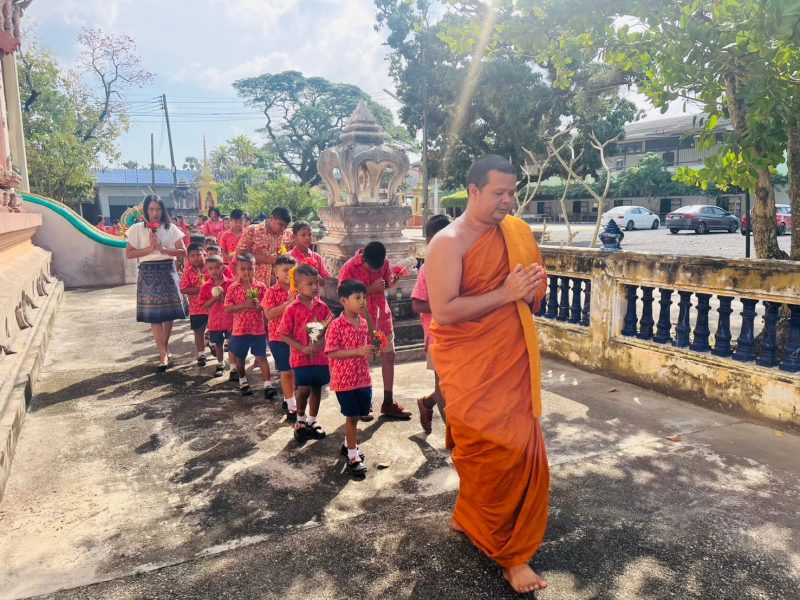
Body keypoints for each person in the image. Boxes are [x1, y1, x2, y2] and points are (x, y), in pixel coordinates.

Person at [426, 155, 549, 594]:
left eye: (512, 193)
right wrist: (505, 292)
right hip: (471, 366)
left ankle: (472, 519)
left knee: (517, 452)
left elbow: (534, 291)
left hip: (511, 360)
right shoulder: (448, 242)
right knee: (488, 451)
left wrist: (530, 287)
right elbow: (444, 310)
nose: (507, 201)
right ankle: (511, 558)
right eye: (499, 192)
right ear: (473, 191)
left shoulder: (516, 233)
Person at [339, 241, 410, 419]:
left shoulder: (384, 263)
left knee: (389, 356)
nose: (373, 270)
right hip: (359, 321)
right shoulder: (350, 267)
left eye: (377, 268)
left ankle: (388, 402)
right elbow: (343, 294)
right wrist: (369, 289)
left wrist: (393, 281)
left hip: (382, 317)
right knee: (362, 362)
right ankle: (364, 404)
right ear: (363, 258)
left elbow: (386, 283)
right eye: (370, 268)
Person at [124, 194, 187, 371]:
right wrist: (150, 249)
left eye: (158, 209)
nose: (155, 213)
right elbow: (129, 253)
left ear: (162, 210)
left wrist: (164, 249)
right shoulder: (137, 229)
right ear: (146, 210)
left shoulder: (170, 227)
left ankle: (164, 347)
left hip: (167, 270)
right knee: (155, 316)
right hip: (148, 272)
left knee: (169, 314)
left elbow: (183, 251)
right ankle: (163, 353)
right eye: (151, 209)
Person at [325, 279, 377, 476]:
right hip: (344, 380)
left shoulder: (364, 323)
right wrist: (358, 351)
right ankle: (353, 456)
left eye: (364, 297)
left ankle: (349, 443)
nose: (362, 301)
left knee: (361, 414)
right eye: (357, 297)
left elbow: (366, 348)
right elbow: (331, 352)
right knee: (352, 417)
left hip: (362, 378)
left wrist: (373, 349)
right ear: (344, 301)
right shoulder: (336, 325)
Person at [277, 264, 332, 443]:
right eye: (309, 284)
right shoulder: (292, 309)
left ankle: (313, 421)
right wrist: (301, 348)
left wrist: (322, 343)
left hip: (320, 357)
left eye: (316, 283)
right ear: (297, 286)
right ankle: (300, 418)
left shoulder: (323, 307)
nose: (315, 287)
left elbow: (330, 329)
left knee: (316, 388)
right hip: (300, 358)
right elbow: (283, 334)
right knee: (303, 389)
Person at [411, 214, 451, 434]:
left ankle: (426, 403)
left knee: (458, 384)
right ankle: (454, 440)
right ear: (429, 241)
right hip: (437, 337)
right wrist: (444, 306)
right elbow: (417, 304)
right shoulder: (427, 269)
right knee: (444, 386)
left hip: (461, 334)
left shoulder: (461, 263)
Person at [224, 254, 277, 398]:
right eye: (243, 269)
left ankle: (268, 385)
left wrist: (259, 307)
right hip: (240, 330)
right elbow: (228, 308)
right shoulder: (233, 288)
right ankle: (243, 381)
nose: (246, 272)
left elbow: (266, 307)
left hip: (258, 329)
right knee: (240, 357)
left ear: (255, 269)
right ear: (236, 270)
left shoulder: (261, 286)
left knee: (261, 357)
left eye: (250, 269)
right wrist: (244, 305)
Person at [262, 254, 299, 421]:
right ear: (276, 272)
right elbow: (269, 314)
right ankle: (291, 406)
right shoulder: (271, 292)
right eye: (285, 270)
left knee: (295, 372)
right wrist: (288, 304)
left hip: (297, 339)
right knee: (286, 371)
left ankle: (288, 397)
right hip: (278, 338)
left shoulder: (301, 290)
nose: (289, 274)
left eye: (292, 270)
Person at [236, 206, 292, 286]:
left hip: (279, 287)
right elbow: (240, 255)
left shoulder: (288, 235)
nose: (283, 229)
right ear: (272, 218)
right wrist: (267, 259)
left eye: (285, 226)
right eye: (280, 224)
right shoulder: (253, 230)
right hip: (255, 285)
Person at [199, 255, 235, 378]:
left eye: (217, 267)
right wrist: (214, 299)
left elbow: (236, 300)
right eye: (210, 268)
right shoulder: (206, 286)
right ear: (207, 269)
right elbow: (203, 305)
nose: (214, 271)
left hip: (230, 319)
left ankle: (233, 367)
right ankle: (220, 363)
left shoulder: (231, 284)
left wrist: (225, 299)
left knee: (232, 343)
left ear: (223, 267)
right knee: (218, 343)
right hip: (214, 321)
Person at [179, 243, 210, 366]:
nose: (196, 258)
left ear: (205, 255)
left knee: (216, 329)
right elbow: (183, 289)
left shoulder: (212, 267)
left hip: (213, 306)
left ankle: (213, 344)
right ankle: (201, 354)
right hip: (197, 308)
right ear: (188, 257)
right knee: (198, 331)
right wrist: (199, 289)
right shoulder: (188, 272)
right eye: (192, 256)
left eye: (198, 255)